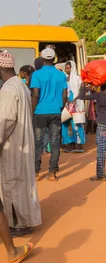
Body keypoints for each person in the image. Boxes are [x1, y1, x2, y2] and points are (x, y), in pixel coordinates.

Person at [0, 52, 42, 237]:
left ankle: (18, 223)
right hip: (23, 140)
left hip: (13, 144)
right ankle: (25, 220)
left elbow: (5, 122)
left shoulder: (8, 89)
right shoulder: (21, 84)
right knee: (21, 183)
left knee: (11, 185)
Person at [31, 47, 67, 182]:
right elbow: (64, 95)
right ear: (54, 58)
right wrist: (60, 108)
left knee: (38, 142)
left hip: (40, 112)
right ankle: (52, 173)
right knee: (55, 143)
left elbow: (35, 94)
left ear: (42, 58)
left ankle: (36, 172)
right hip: (55, 111)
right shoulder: (61, 75)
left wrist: (32, 111)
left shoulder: (37, 74)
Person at [78, 82, 106, 181]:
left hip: (102, 124)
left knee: (101, 150)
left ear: (101, 86)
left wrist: (83, 87)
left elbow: (81, 97)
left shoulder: (99, 95)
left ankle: (101, 175)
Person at [61, 61, 86, 153]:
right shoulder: (63, 78)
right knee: (65, 123)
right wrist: (67, 100)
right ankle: (68, 144)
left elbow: (81, 90)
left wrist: (74, 100)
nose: (67, 70)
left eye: (69, 68)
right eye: (66, 68)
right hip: (66, 103)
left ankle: (79, 145)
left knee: (77, 123)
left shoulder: (78, 78)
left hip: (76, 103)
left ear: (73, 68)